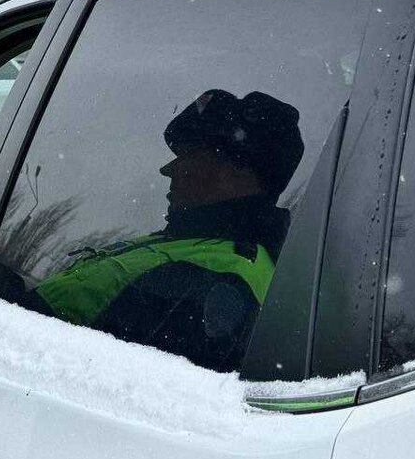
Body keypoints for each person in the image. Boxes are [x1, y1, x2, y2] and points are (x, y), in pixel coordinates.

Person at [29, 89, 304, 372]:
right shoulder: (194, 245)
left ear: (237, 170)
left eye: (189, 154)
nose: (168, 168)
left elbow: (89, 376)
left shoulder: (213, 283)